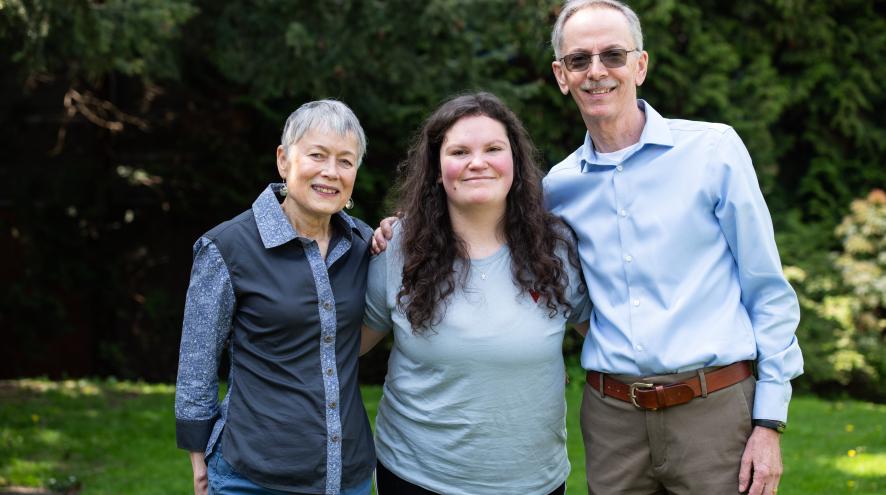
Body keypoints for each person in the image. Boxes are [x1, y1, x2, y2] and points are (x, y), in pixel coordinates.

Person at [546, 1, 803, 494]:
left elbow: (766, 290)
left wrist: (769, 422)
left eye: (613, 55)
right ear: (562, 75)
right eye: (579, 60)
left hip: (717, 414)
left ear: (640, 65)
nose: (596, 71)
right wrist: (400, 229)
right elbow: (495, 235)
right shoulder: (558, 187)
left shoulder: (713, 151)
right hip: (612, 422)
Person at [360, 92, 590, 495]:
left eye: (493, 149)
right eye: (460, 151)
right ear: (436, 169)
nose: (477, 162)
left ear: (515, 163)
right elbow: (344, 347)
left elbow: (610, 340)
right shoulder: (398, 249)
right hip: (416, 477)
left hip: (534, 484)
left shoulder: (556, 249)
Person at [174, 100, 376, 495]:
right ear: (284, 160)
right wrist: (198, 454)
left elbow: (382, 320)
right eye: (317, 155)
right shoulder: (227, 247)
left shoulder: (365, 245)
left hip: (347, 476)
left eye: (345, 161)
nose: (330, 172)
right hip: (251, 477)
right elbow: (197, 363)